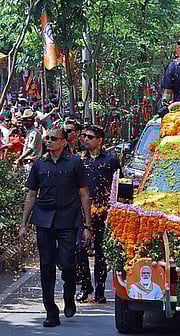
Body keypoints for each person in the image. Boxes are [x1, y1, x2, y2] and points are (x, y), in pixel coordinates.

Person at [18, 126, 92, 327]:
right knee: (46, 266)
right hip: (44, 221)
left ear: (63, 142)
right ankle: (51, 310)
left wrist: (87, 225)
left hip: (68, 220)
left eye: (53, 138)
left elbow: (84, 194)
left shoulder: (75, 163)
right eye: (47, 138)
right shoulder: (39, 164)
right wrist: (23, 224)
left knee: (67, 263)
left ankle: (69, 295)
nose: (48, 141)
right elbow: (31, 195)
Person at [76, 125, 121, 303]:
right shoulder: (79, 161)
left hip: (104, 213)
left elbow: (117, 186)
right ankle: (86, 286)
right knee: (79, 249)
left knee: (101, 252)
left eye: (89, 137)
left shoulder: (111, 161)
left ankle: (100, 289)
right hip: (82, 212)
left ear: (100, 140)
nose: (85, 139)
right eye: (84, 136)